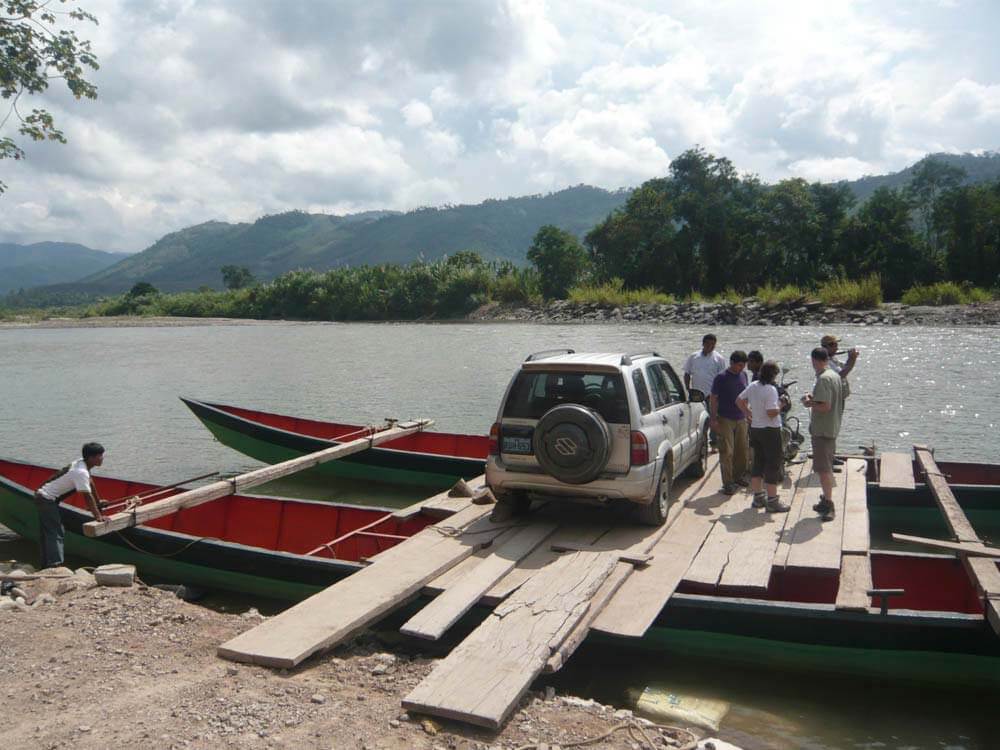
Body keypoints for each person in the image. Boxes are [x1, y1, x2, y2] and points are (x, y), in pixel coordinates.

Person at [33, 443, 107, 568]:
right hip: (46, 499)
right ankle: (55, 565)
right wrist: (98, 517)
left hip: (44, 497)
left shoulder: (81, 463)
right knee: (56, 532)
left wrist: (98, 502)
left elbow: (90, 482)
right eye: (99, 456)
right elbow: (87, 496)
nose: (102, 458)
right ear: (90, 458)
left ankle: (45, 565)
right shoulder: (80, 472)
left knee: (48, 532)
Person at [737, 360, 789, 513]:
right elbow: (771, 412)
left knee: (758, 462)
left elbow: (739, 401)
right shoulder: (771, 390)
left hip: (756, 429)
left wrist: (748, 414)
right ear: (773, 375)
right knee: (773, 464)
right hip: (770, 430)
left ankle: (758, 497)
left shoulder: (753, 386)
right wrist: (782, 403)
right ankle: (772, 501)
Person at [801, 349, 846, 521]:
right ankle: (825, 500)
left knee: (824, 469)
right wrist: (814, 399)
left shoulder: (823, 379)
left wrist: (808, 403)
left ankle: (829, 503)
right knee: (824, 466)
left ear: (814, 360)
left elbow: (824, 407)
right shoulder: (833, 375)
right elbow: (831, 400)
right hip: (832, 427)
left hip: (823, 431)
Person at [710, 350, 749, 494]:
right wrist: (713, 418)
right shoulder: (721, 378)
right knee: (727, 451)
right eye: (739, 365)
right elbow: (713, 398)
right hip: (725, 418)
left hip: (741, 418)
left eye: (743, 365)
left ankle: (739, 476)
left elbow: (746, 396)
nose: (741, 368)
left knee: (742, 450)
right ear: (731, 363)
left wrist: (748, 413)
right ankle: (728, 482)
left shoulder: (744, 375)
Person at [684, 334, 726, 448]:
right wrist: (688, 389)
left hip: (712, 395)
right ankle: (701, 444)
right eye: (708, 344)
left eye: (713, 345)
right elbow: (687, 373)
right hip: (696, 395)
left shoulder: (719, 359)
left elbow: (723, 378)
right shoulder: (693, 357)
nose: (710, 346)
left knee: (713, 418)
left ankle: (714, 443)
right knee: (697, 421)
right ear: (703, 344)